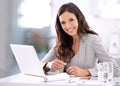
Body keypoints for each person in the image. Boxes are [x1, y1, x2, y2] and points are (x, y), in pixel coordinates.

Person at [41, 2, 120, 77]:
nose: (68, 26)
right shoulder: (60, 42)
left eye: (71, 20)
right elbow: (38, 66)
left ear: (79, 19)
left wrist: (86, 72)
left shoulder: (93, 40)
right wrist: (49, 65)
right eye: (63, 22)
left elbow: (115, 69)